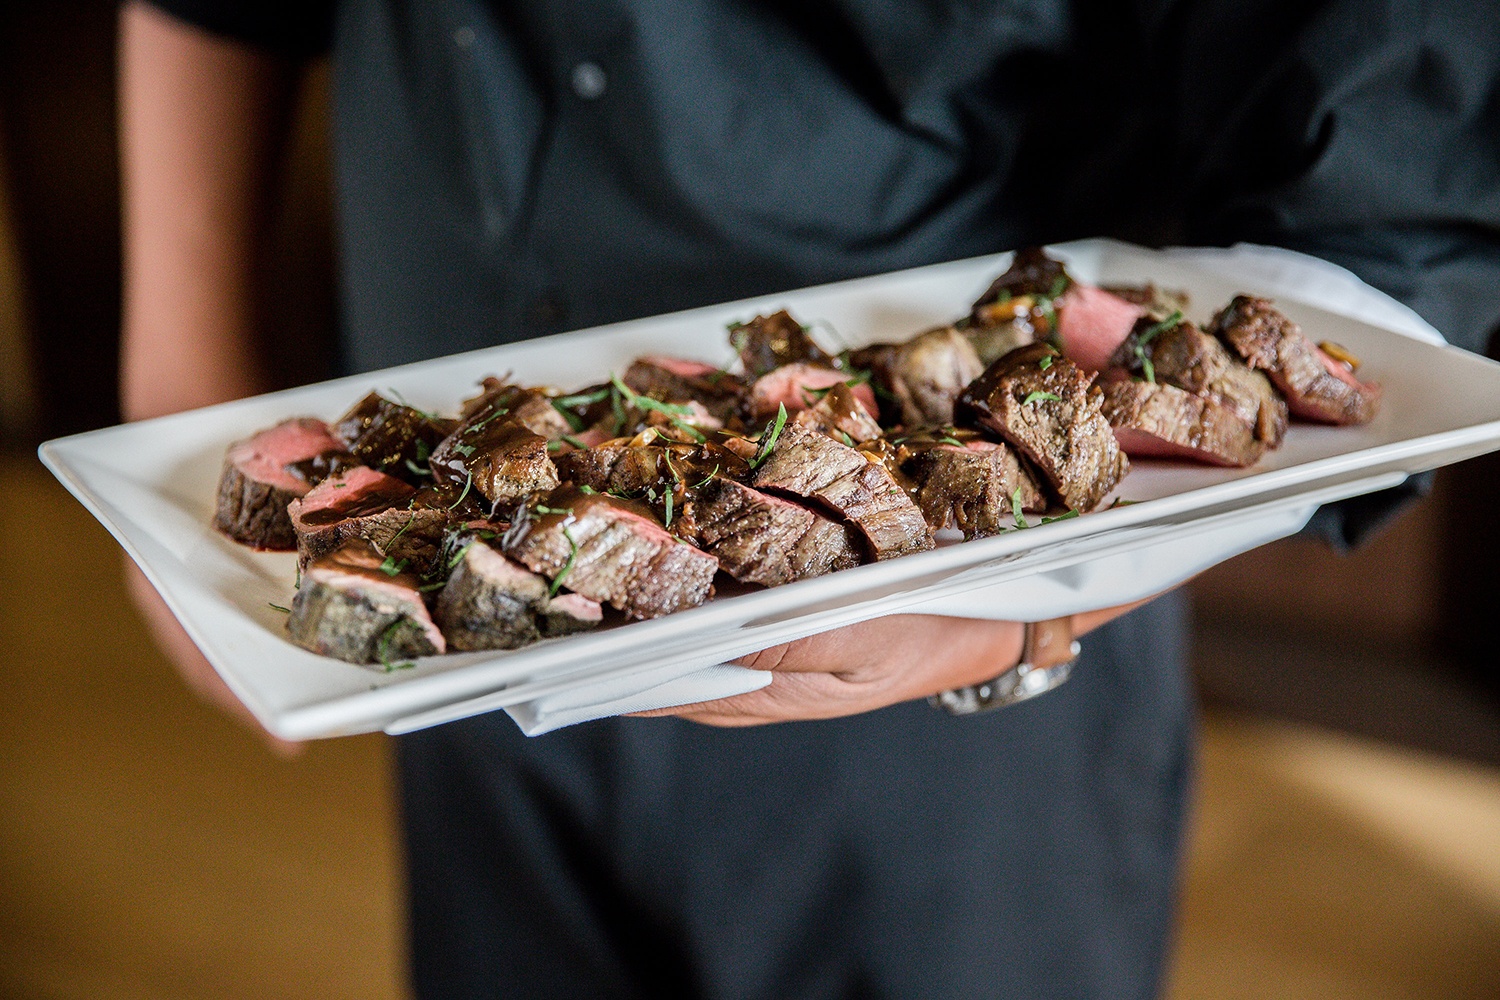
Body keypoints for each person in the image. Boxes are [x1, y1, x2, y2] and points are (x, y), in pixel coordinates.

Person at [119, 2, 1500, 997]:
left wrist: (1003, 629)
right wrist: (177, 381)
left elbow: (1388, 183)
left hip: (958, 687)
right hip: (453, 611)